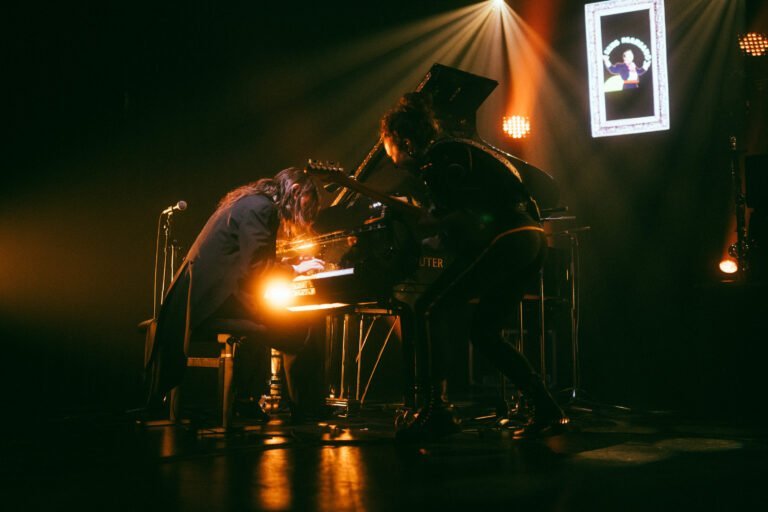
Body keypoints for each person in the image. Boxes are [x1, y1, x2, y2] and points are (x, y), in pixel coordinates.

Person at [379, 92, 568, 440]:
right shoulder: (456, 150)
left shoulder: (436, 159)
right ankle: (547, 409)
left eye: (388, 147)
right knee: (483, 332)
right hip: (530, 238)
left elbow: (458, 220)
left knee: (429, 308)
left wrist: (428, 224)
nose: (390, 158)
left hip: (506, 238)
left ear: (404, 140)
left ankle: (436, 409)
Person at [145, 167, 326, 420]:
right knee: (303, 328)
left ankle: (246, 400)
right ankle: (307, 412)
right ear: (295, 191)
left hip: (200, 301)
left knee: (267, 324)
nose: (306, 214)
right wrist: (296, 268)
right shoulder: (263, 208)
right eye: (307, 204)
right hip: (212, 304)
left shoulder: (248, 202)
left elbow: (248, 263)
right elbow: (256, 270)